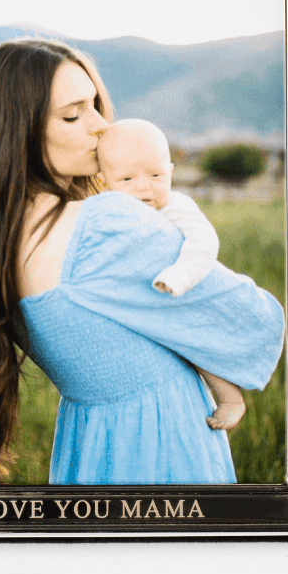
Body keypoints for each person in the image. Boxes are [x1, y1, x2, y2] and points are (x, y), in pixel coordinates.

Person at [0, 36, 285, 486]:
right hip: (164, 451)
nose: (101, 126)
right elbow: (249, 320)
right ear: (18, 130)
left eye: (95, 106)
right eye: (73, 115)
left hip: (87, 454)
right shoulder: (105, 225)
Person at [96, 117, 249, 431]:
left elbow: (204, 242)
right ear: (104, 182)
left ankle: (230, 398)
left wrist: (180, 276)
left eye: (156, 175)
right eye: (127, 178)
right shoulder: (106, 211)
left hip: (179, 292)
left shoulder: (176, 206)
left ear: (170, 172)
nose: (144, 187)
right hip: (141, 300)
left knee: (196, 343)